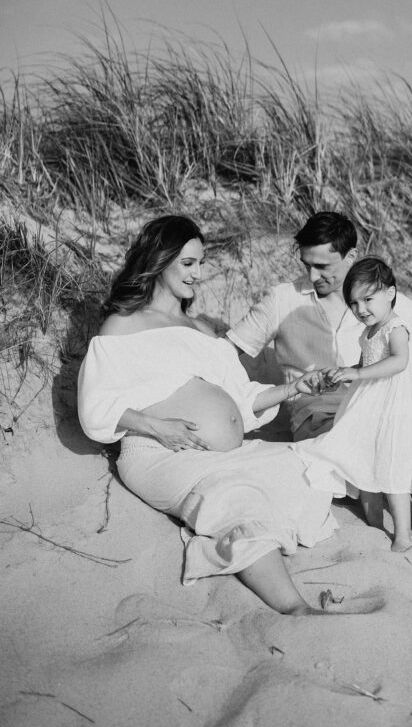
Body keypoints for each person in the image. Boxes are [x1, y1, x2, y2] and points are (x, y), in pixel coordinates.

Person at [78, 215, 340, 616]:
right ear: (160, 259)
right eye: (187, 263)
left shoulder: (200, 329)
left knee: (311, 464)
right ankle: (294, 608)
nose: (198, 274)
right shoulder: (124, 325)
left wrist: (292, 389)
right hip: (159, 453)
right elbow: (94, 405)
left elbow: (240, 400)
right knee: (234, 498)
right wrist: (156, 427)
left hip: (220, 452)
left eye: (201, 263)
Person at [227, 211, 412, 548]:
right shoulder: (282, 299)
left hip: (386, 407)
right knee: (407, 448)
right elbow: (228, 352)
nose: (312, 275)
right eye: (306, 264)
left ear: (351, 256)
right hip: (326, 423)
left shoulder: (380, 298)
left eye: (323, 266)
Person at [296, 257, 412, 552]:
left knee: (393, 469)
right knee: (365, 462)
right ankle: (373, 526)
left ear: (390, 293)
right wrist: (346, 372)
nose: (361, 309)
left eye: (368, 299)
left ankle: (403, 536)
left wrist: (357, 373)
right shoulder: (368, 332)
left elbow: (399, 361)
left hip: (396, 406)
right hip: (371, 403)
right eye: (354, 304)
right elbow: (368, 361)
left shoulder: (396, 327)